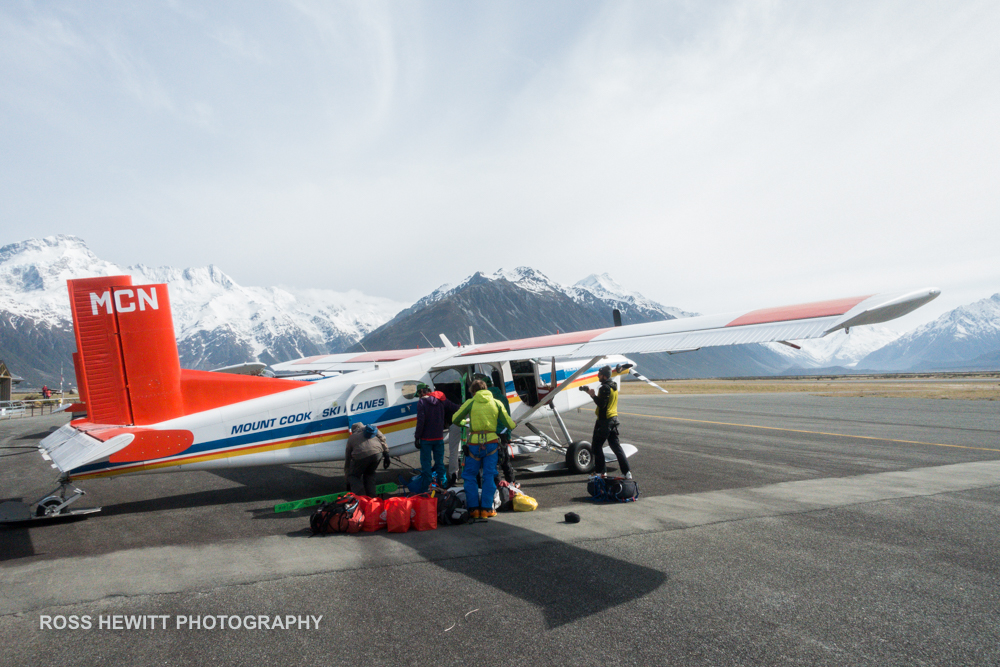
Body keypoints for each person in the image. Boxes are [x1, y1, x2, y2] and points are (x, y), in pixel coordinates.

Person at [452, 379, 516, 519]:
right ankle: (487, 509)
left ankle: (473, 509)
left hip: (474, 443)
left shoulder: (471, 402)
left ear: (473, 391)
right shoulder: (496, 402)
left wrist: (465, 424)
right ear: (486, 388)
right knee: (489, 475)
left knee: (469, 476)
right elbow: (510, 424)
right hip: (492, 443)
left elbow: (455, 419)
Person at [582, 365, 631, 479]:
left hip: (604, 421)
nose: (598, 376)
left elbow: (601, 404)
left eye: (599, 375)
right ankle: (627, 472)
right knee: (616, 447)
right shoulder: (614, 385)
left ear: (604, 376)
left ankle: (600, 472)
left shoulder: (604, 388)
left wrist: (592, 395)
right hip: (613, 419)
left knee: (596, 446)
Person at [414, 383, 458, 491]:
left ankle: (427, 489)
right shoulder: (440, 399)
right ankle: (443, 486)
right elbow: (454, 407)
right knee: (439, 464)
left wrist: (417, 437)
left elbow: (421, 421)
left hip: (426, 439)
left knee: (426, 465)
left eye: (419, 393)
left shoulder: (421, 402)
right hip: (438, 438)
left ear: (422, 392)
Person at [484, 375, 516, 485]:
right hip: (502, 433)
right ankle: (512, 483)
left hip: (490, 435)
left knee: (493, 462)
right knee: (505, 460)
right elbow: (508, 417)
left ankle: (497, 486)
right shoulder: (502, 398)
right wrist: (508, 435)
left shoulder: (484, 400)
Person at [344, 422, 390, 497]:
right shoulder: (371, 430)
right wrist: (386, 454)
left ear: (353, 430)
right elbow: (383, 439)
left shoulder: (352, 437)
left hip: (361, 456)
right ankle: (372, 498)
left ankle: (362, 497)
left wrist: (348, 480)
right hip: (378, 453)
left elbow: (348, 459)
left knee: (353, 476)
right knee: (369, 474)